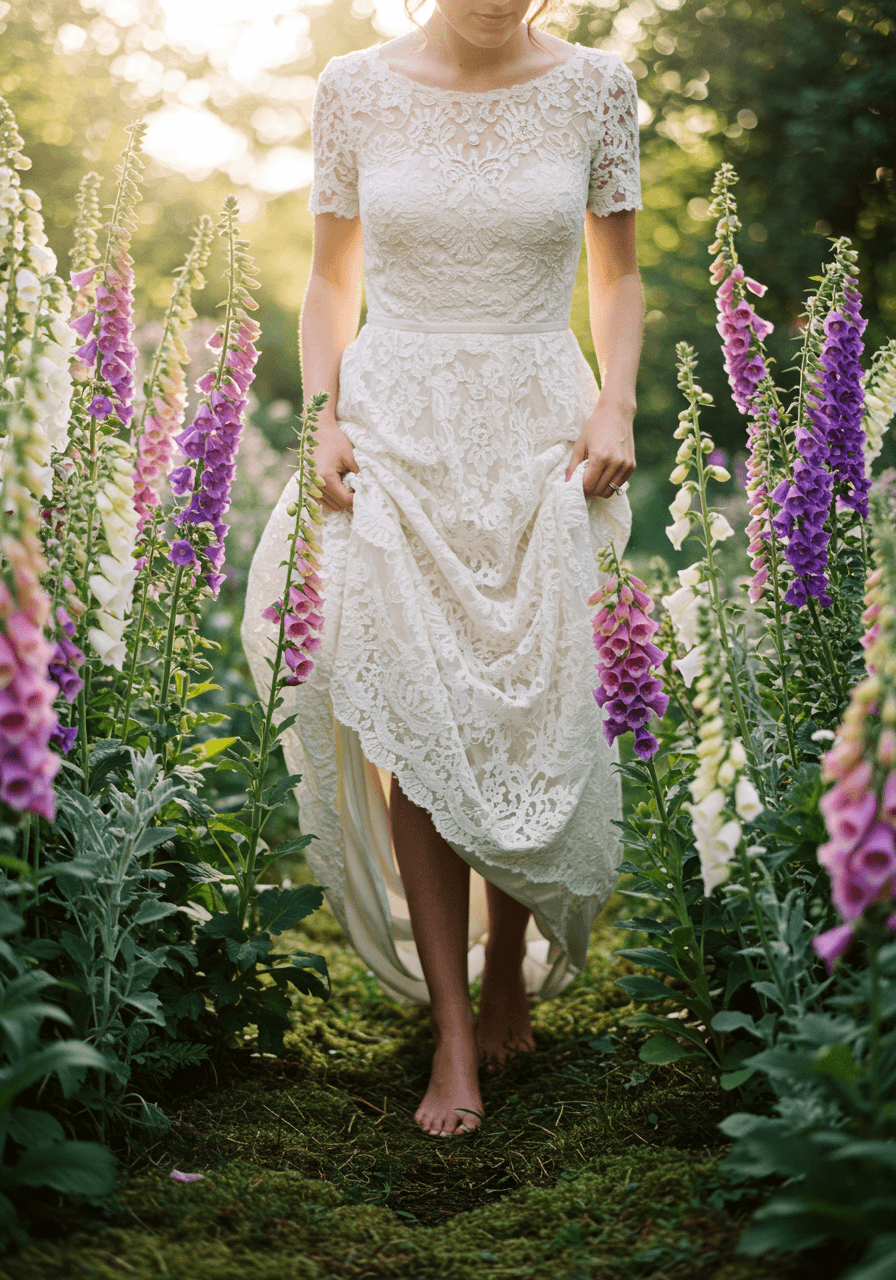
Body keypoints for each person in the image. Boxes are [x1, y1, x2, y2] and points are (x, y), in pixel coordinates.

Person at [241, 0, 642, 1140]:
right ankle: (452, 1030)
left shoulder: (594, 87)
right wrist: (322, 416)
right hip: (395, 418)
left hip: (535, 422)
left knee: (524, 698)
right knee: (414, 697)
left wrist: (612, 398)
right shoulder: (352, 87)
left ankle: (509, 964)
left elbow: (615, 279)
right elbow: (330, 279)